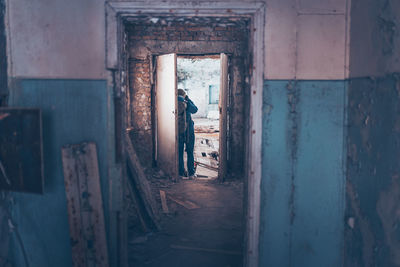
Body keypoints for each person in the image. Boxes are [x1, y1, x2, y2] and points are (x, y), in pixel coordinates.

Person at [177, 88, 198, 179]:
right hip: (189, 131)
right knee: (190, 152)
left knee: (179, 152)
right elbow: (195, 110)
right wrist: (188, 100)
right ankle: (191, 174)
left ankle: (181, 173)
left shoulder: (174, 102)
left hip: (178, 130)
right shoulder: (186, 102)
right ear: (184, 95)